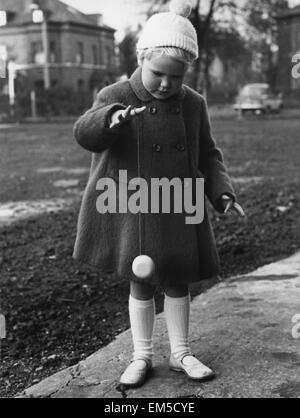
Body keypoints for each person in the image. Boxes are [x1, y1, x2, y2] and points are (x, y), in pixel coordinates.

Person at [73, 0, 245, 389]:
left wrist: (221, 193)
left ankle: (181, 352)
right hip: (133, 204)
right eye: (157, 74)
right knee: (141, 278)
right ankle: (141, 355)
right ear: (141, 58)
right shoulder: (115, 94)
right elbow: (84, 133)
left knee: (178, 279)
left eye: (176, 77)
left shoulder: (194, 104)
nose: (166, 84)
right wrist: (111, 119)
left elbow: (207, 153)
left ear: (187, 73)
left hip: (178, 203)